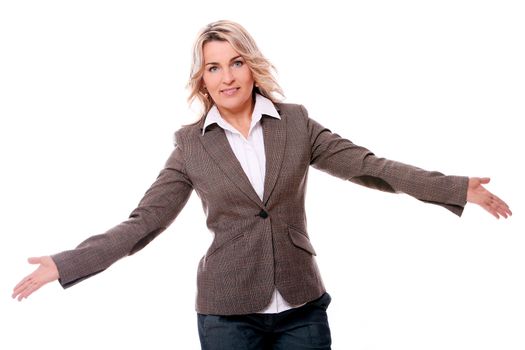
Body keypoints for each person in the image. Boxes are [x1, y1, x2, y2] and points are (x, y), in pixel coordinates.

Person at [12, 20, 512, 350]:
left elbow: (369, 165)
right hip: (228, 314)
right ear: (201, 80)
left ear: (251, 66)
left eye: (235, 62)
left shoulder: (295, 124)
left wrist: (454, 187)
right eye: (213, 67)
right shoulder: (191, 146)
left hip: (301, 308)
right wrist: (67, 263)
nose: (227, 76)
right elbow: (144, 223)